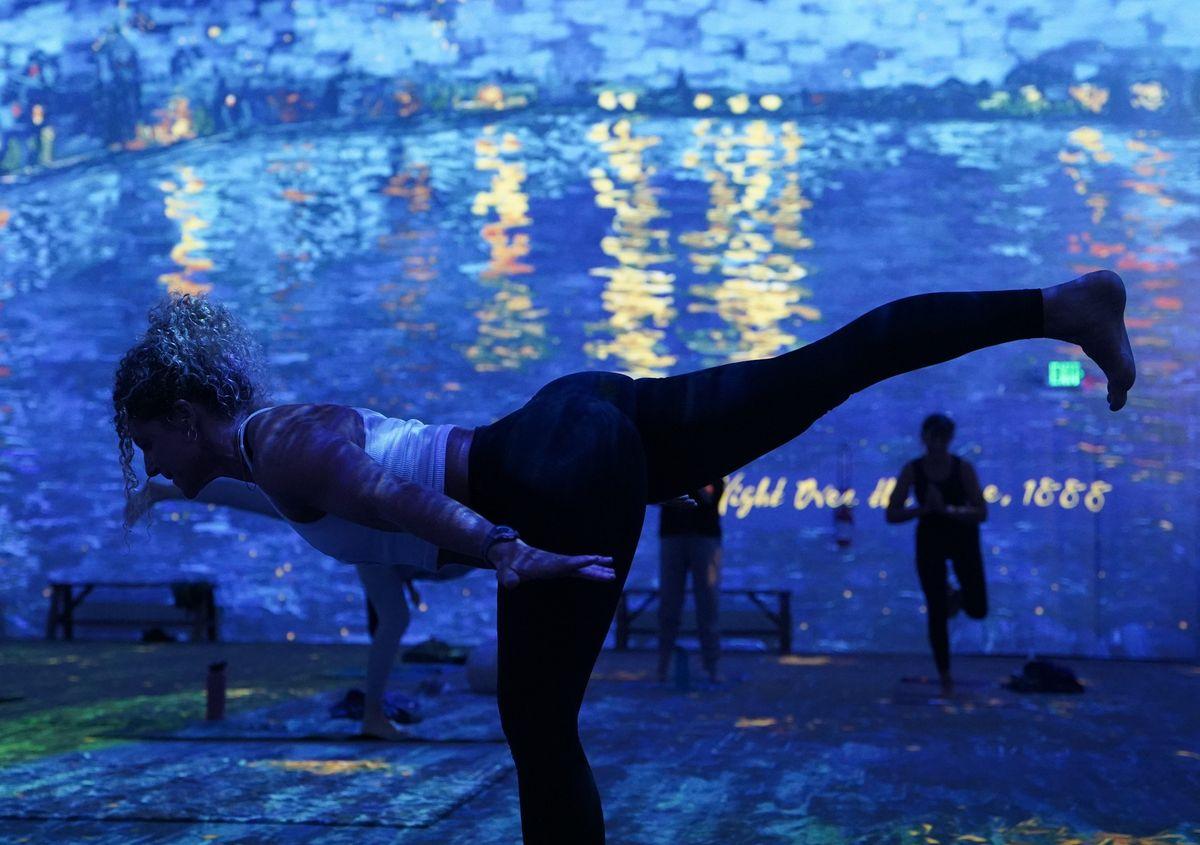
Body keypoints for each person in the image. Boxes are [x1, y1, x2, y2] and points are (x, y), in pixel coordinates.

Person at [112, 270, 1134, 844]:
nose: (141, 459)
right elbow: (302, 496)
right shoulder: (266, 447)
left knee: (537, 725)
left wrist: (507, 549)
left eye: (144, 443)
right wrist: (170, 487)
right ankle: (1060, 310)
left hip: (549, 471)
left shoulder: (288, 443)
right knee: (824, 366)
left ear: (189, 413)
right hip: (580, 416)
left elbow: (387, 492)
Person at [125, 475, 465, 739]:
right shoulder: (467, 545)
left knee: (270, 502)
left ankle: (373, 715)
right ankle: (373, 715)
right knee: (268, 501)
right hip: (373, 538)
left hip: (380, 545)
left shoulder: (465, 546)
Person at [885, 413, 988, 696]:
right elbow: (891, 513)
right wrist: (924, 510)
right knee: (936, 610)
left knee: (978, 607)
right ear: (924, 438)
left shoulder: (962, 468)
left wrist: (948, 510)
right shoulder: (913, 469)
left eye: (942, 439)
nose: (937, 444)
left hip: (962, 537)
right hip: (930, 538)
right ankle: (945, 677)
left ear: (949, 440)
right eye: (933, 438)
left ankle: (957, 596)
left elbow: (981, 511)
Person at [656, 478, 726, 684]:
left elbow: (710, 495)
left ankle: (712, 665)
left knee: (708, 601)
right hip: (673, 532)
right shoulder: (669, 461)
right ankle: (663, 666)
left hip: (704, 533)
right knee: (669, 602)